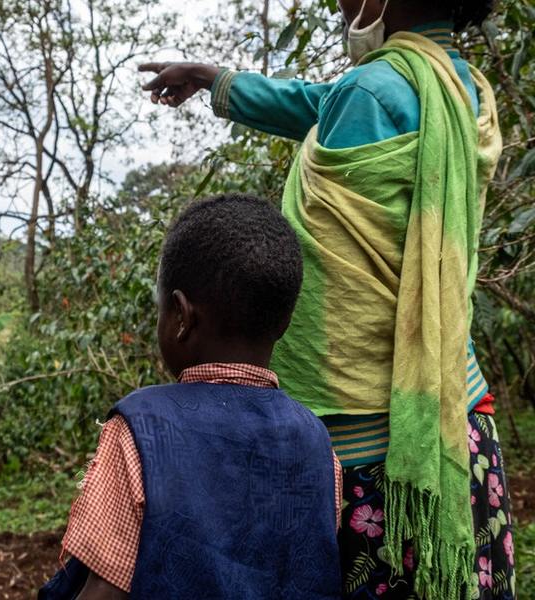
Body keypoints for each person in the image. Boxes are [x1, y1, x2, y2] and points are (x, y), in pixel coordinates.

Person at [139, 1, 516, 599]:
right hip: (458, 410)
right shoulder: (465, 87)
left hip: (373, 440)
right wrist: (216, 80)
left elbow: (336, 102)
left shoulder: (368, 92)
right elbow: (322, 102)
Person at [40, 193, 342, 600]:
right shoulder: (320, 446)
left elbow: (105, 590)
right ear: (285, 322)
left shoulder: (140, 429)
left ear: (181, 316)